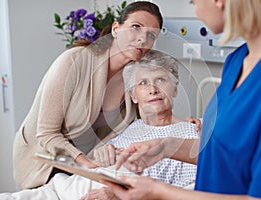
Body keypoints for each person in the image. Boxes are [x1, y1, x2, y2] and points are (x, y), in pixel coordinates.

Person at [103, 0, 261, 199]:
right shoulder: (237, 60)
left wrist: (159, 192)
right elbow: (226, 155)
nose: (197, 12)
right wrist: (164, 146)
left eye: (194, 2)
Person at [0, 50, 199, 200]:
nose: (153, 89)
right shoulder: (124, 127)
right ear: (133, 96)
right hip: (66, 189)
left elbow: (188, 190)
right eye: (143, 83)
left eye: (161, 80)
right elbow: (92, 164)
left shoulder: (192, 134)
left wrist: (120, 194)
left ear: (175, 90)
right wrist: (101, 154)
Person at [12, 1, 166, 189]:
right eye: (136, 27)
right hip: (44, 160)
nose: (143, 39)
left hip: (88, 164)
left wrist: (188, 124)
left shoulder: (135, 78)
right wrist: (86, 164)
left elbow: (151, 119)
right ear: (116, 29)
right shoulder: (74, 61)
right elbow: (47, 134)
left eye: (151, 35)